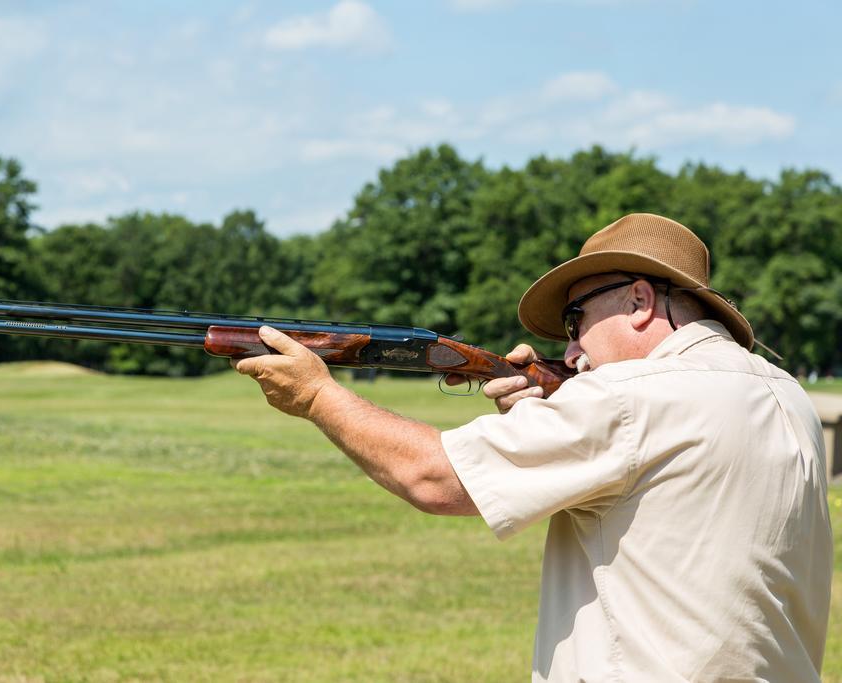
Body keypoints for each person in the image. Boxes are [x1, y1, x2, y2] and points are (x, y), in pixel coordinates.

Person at [232, 213, 832, 682]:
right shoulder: (786, 396)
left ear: (641, 302)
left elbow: (432, 479)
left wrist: (317, 396)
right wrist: (546, 420)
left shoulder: (629, 397)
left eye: (575, 322)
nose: (571, 353)